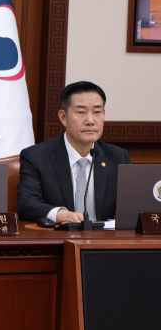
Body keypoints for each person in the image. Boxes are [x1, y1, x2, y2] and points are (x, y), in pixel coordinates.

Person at [17, 81, 131, 223]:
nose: (90, 121)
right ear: (63, 117)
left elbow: (133, 205)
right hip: (59, 235)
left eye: (97, 112)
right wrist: (60, 215)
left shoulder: (119, 157)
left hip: (103, 236)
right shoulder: (36, 157)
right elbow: (26, 205)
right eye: (81, 112)